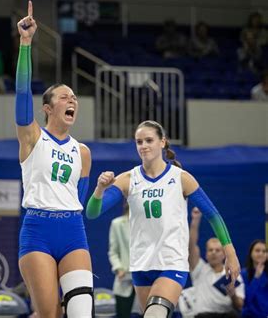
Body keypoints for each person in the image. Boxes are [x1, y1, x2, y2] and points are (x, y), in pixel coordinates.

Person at [86, 120, 240, 318]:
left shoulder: (181, 178)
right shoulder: (128, 179)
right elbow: (92, 212)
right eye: (139, 142)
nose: (144, 146)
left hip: (171, 263)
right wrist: (99, 189)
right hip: (141, 265)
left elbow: (213, 215)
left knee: (155, 315)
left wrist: (231, 254)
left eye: (149, 140)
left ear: (163, 142)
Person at [15, 1, 93, 318]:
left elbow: (81, 199)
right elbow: (21, 95)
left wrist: (100, 192)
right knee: (49, 314)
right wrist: (25, 44)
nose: (71, 99)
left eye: (73, 97)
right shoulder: (33, 137)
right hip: (38, 230)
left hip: (74, 230)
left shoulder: (83, 152)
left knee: (81, 313)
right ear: (47, 107)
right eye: (64, 96)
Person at [188, 207, 244, 317]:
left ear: (224, 254)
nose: (213, 253)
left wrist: (233, 295)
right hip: (203, 316)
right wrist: (195, 220)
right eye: (210, 250)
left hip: (226, 315)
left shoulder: (233, 273)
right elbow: (191, 246)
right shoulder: (199, 269)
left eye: (217, 250)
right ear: (206, 254)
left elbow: (240, 305)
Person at [108, 202, 138, 318]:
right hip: (125, 278)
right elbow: (113, 251)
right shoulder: (117, 224)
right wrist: (119, 268)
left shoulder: (148, 224)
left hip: (146, 277)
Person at [241, 239, 268, 317]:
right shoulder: (243, 274)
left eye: (264, 251)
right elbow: (245, 300)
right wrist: (256, 278)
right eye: (257, 250)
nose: (261, 254)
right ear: (251, 253)